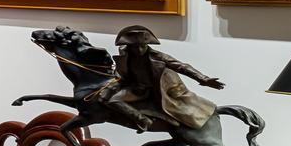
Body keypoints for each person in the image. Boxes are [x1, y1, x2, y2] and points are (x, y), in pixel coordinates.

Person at [91, 24, 222, 130]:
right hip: (133, 87)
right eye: (135, 47)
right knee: (104, 97)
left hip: (152, 90)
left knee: (115, 101)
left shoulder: (157, 57)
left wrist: (202, 78)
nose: (140, 50)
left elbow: (181, 66)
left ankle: (143, 120)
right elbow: (122, 74)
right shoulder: (124, 55)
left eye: (143, 46)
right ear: (129, 46)